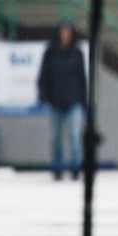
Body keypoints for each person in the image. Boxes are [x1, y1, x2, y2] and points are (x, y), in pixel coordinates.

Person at [37, 21, 87, 181]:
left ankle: (75, 167)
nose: (65, 35)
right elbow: (43, 76)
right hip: (55, 100)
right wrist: (44, 96)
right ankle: (57, 167)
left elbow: (82, 78)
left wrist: (84, 99)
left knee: (73, 135)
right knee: (55, 137)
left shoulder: (77, 53)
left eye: (68, 32)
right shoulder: (50, 53)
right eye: (63, 32)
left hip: (73, 100)